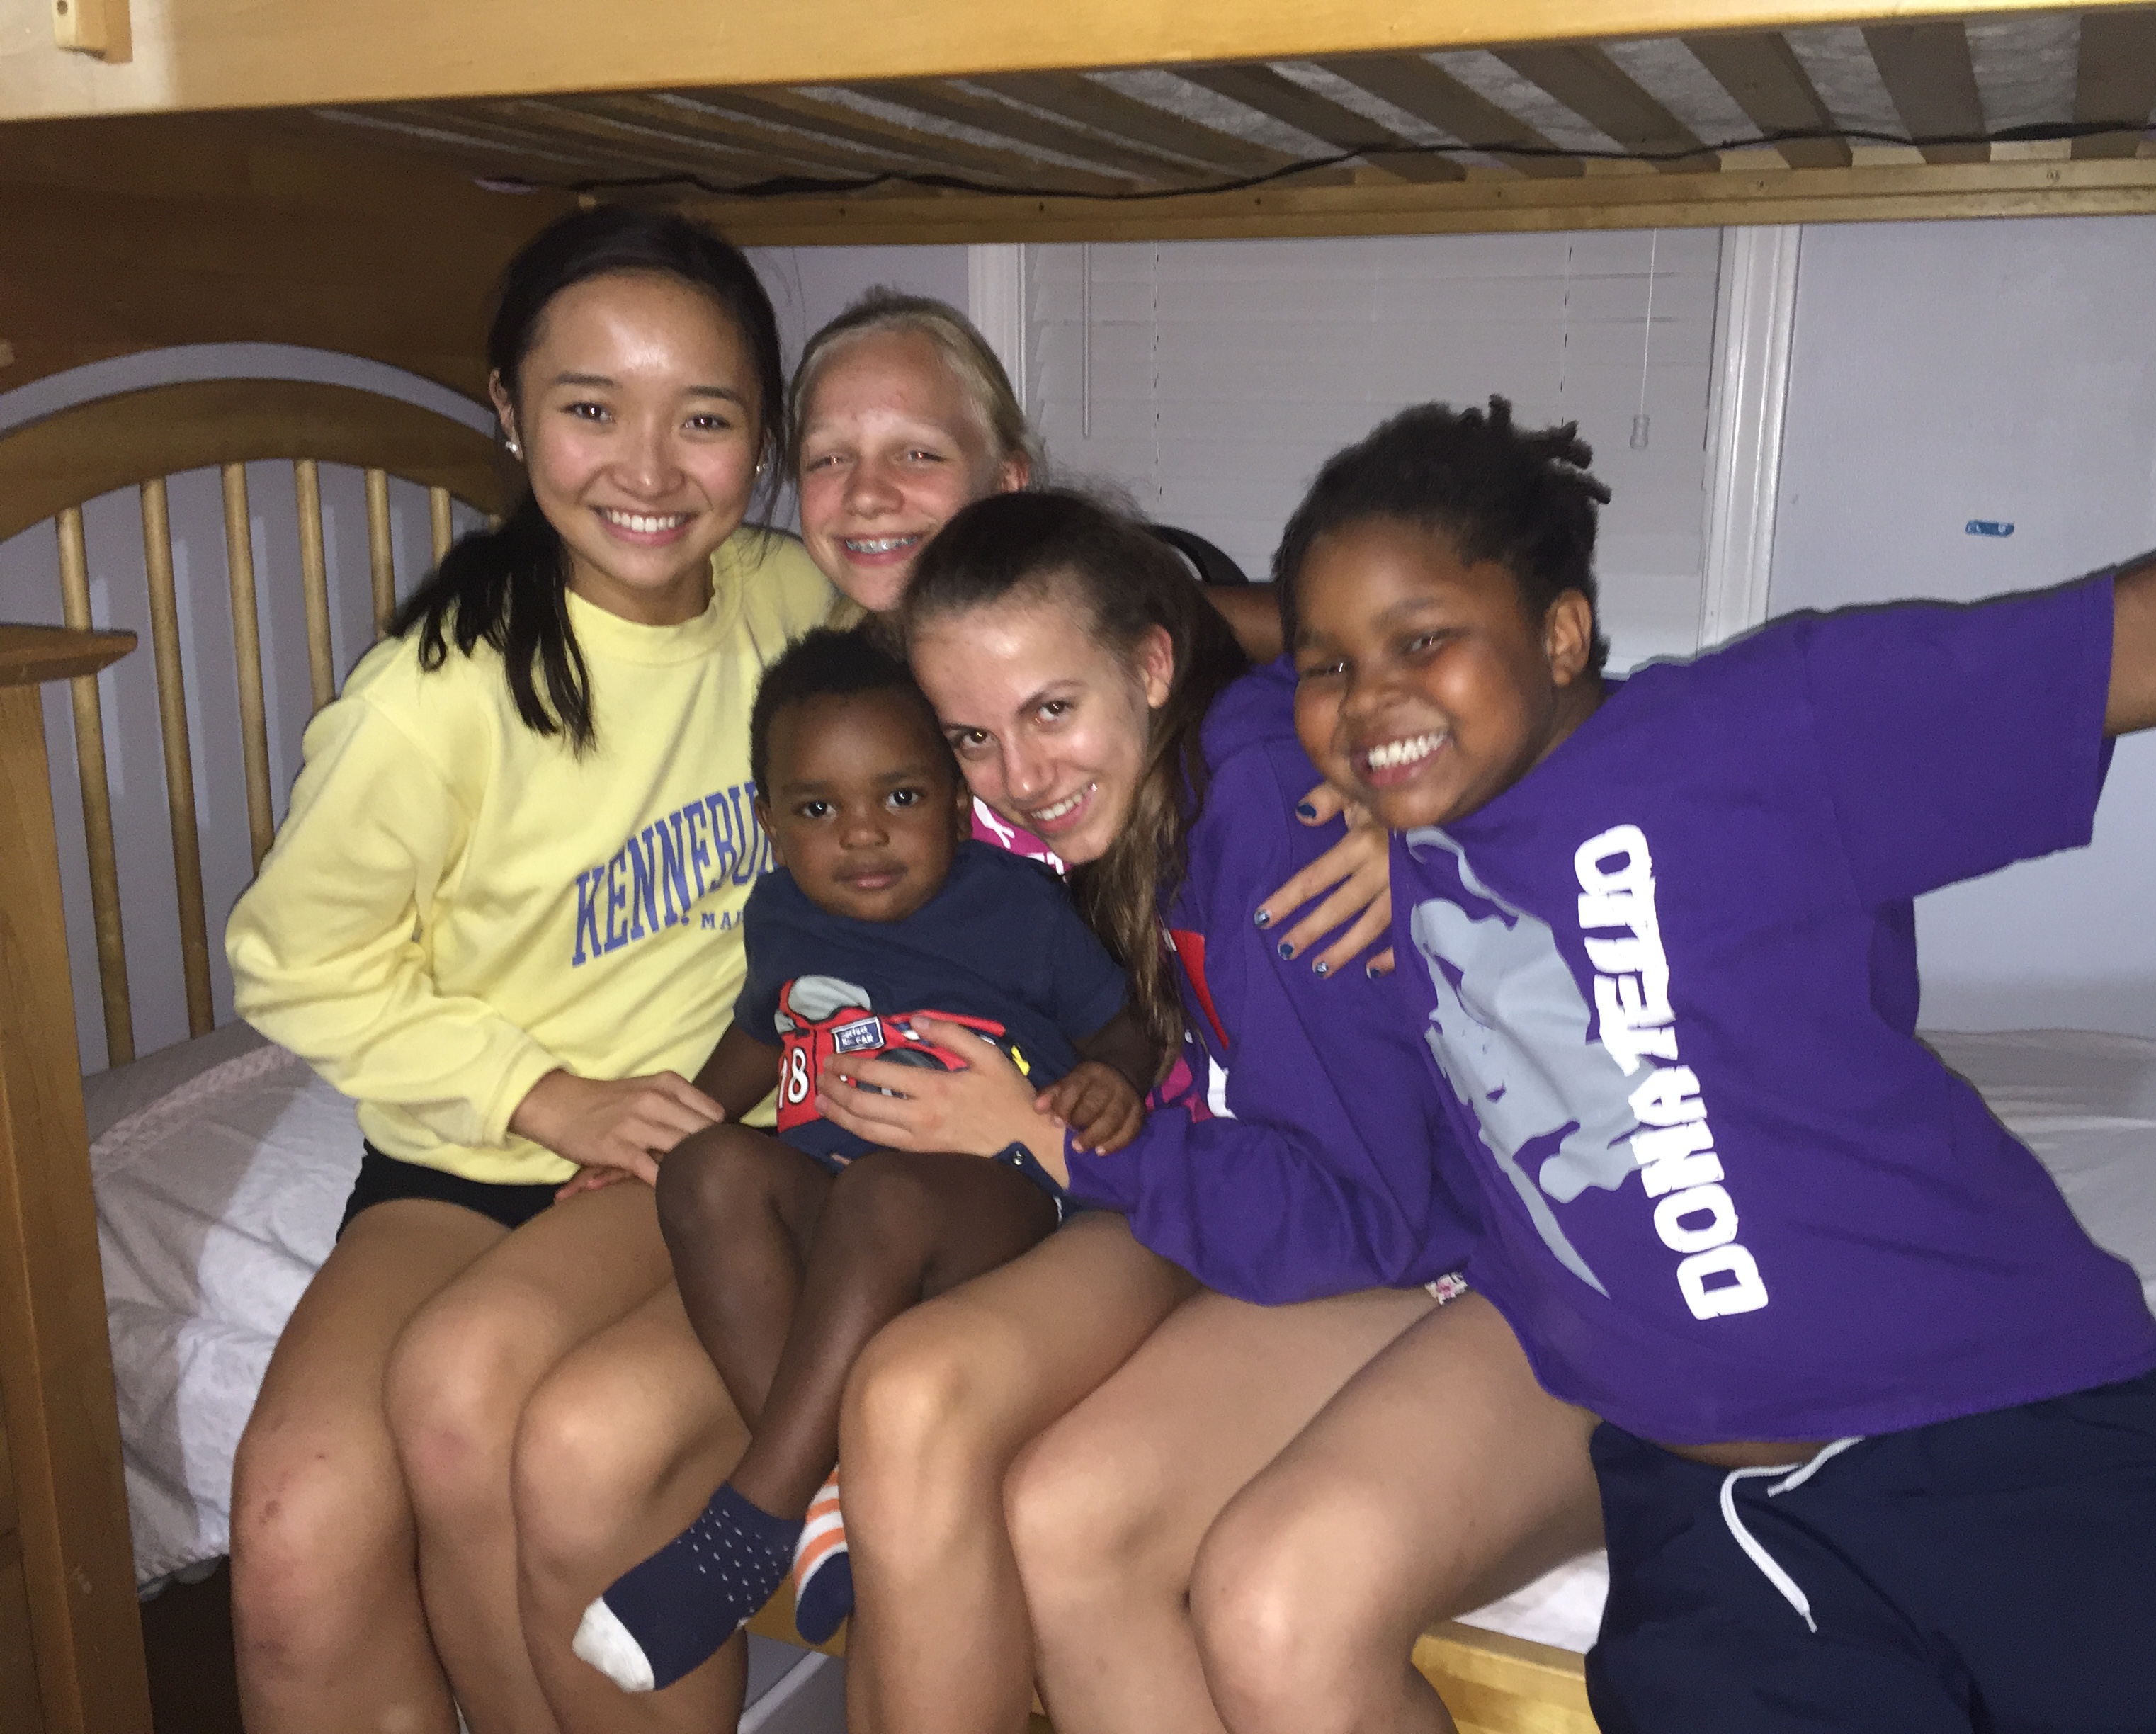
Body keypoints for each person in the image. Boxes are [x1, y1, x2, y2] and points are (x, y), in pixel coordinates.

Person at [1249, 397, 2156, 1733]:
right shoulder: (1397, 832)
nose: (1367, 699)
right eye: (1327, 667)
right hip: (1719, 1525)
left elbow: (2143, 638)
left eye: (1421, 640)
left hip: (2002, 1424)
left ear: (1561, 632)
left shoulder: (1753, 732)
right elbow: (1173, 631)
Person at [504, 290, 1403, 1733]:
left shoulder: (1119, 654)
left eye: (916, 453)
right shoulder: (821, 659)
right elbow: (766, 999)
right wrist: (655, 1118)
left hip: (1075, 1153)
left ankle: (780, 1508)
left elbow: (1357, 644)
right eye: (830, 456)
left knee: (915, 1397)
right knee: (574, 1432)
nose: (868, 494)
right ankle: (809, 1511)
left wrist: (1389, 773)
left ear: (1008, 480)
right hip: (867, 1148)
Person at [790, 489, 1601, 1734]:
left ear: (1153, 665)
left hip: (1497, 1253)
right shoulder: (1154, 796)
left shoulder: (1275, 822)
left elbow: (1363, 1215)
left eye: (1051, 711)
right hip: (1391, 1231)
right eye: (972, 739)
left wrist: (1045, 1137)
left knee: (1234, 1587)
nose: (1020, 778)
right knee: (1057, 1518)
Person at [224, 206, 834, 1734]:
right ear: (508, 409)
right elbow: (294, 966)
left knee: (474, 1405)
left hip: (707, 1139)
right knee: (294, 1536)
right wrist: (546, 1094)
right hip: (471, 1156)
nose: (649, 469)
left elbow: (1046, 625)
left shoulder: (791, 603)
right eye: (591, 410)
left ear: (764, 439)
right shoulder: (435, 700)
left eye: (705, 420)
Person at [568, 627, 1157, 1693]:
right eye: (816, 811)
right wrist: (670, 1127)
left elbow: (1125, 1024)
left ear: (957, 801)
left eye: (902, 797)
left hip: (989, 1197)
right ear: (770, 825)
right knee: (706, 1169)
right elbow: (762, 1034)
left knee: (883, 1192)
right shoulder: (783, 915)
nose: (864, 835)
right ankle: (826, 1505)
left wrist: (1111, 1078)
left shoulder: (1010, 910)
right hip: (841, 1202)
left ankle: (755, 1517)